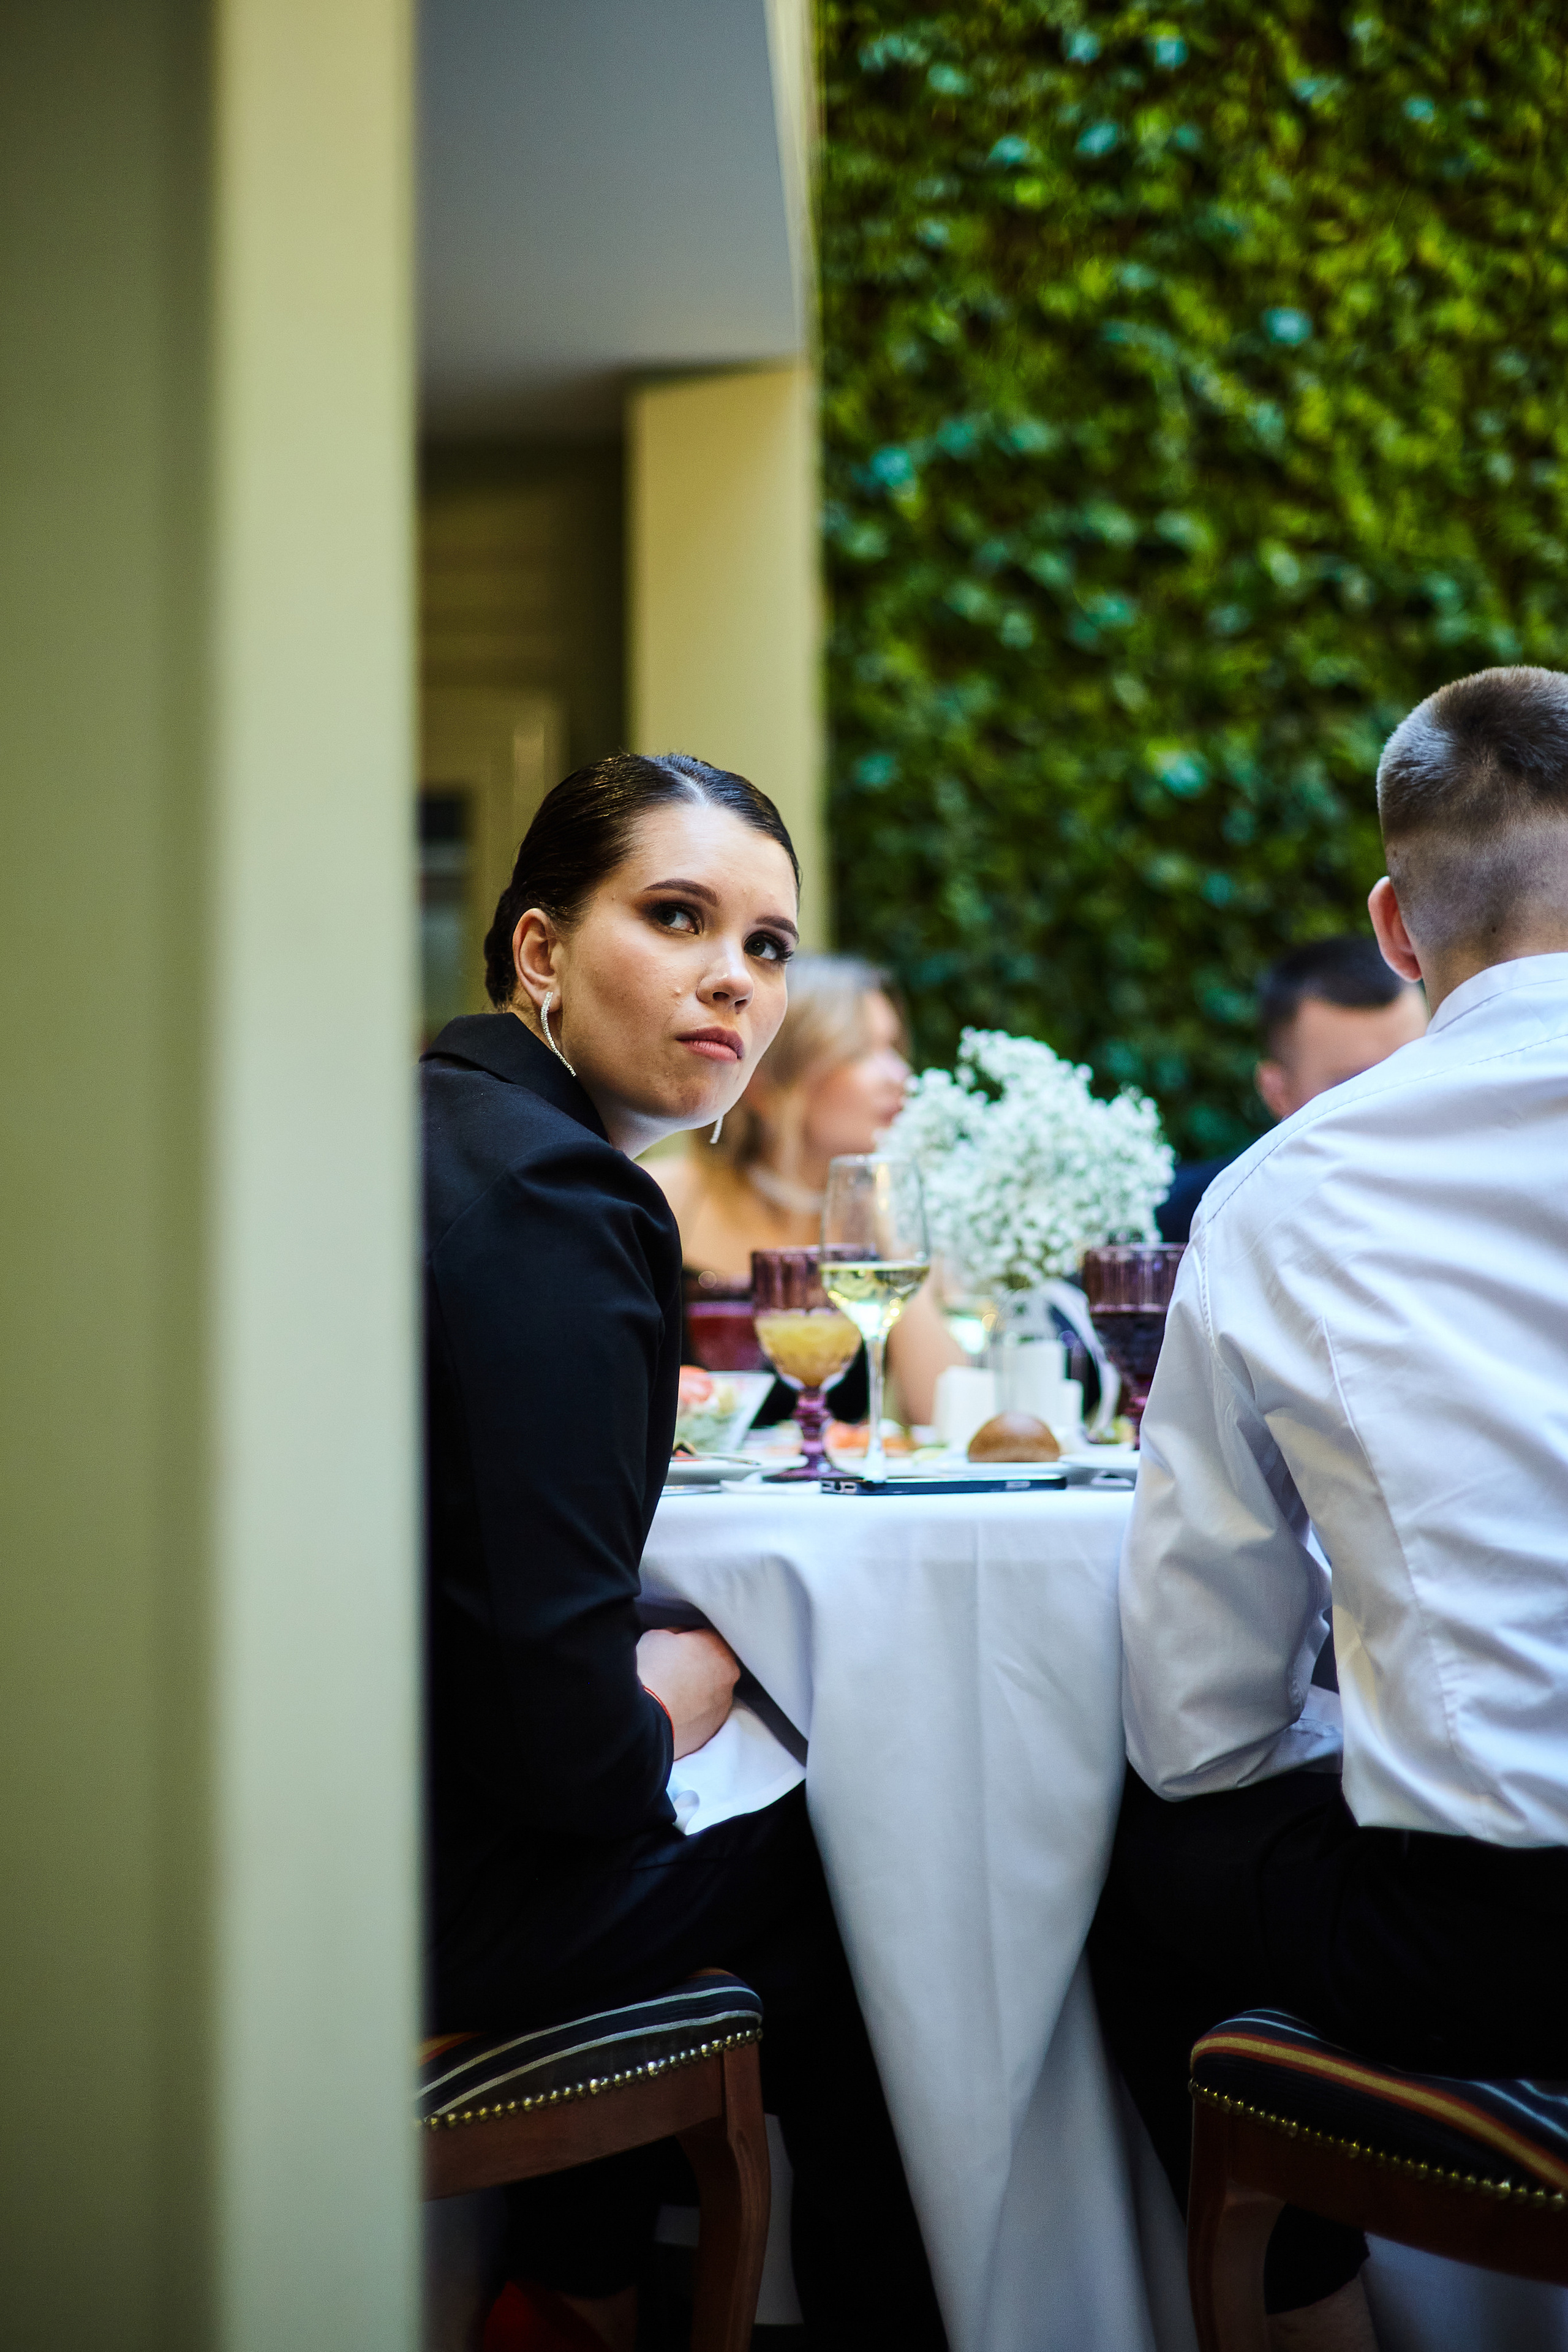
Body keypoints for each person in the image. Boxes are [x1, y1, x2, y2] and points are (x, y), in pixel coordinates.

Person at [422, 752, 946, 2352]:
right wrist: (673, 1695)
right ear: (539, 948)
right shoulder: (558, 1196)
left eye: (767, 945)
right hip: (418, 1895)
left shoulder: (441, 1130)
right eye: (675, 916)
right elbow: (572, 1760)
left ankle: (571, 2290)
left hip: (340, 1817)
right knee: (881, 1872)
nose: (734, 977)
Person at [1089, 665, 1568, 2352]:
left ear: (1393, 926)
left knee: (1150, 1868)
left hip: (1500, 1943)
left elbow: (1199, 1721)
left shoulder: (1279, 1199)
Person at [652, 954, 965, 1425]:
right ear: (767, 1078)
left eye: (894, 1047)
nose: (900, 1075)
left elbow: (947, 1419)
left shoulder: (897, 1224)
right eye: (862, 1053)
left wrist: (886, 1222)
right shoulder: (661, 1199)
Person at [1156, 937, 1427, 1242]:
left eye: (1416, 1074)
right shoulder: (1190, 1224)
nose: (1397, 1107)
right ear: (1277, 1093)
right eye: (1355, 1088)